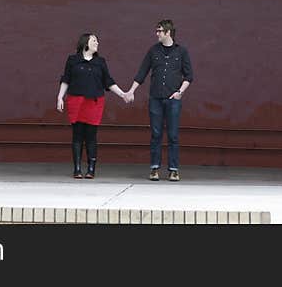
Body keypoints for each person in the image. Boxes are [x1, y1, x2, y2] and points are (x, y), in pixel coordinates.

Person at [126, 19, 193, 181]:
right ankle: (154, 168)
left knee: (173, 135)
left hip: (173, 99)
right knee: (156, 133)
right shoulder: (153, 51)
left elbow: (189, 76)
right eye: (156, 31)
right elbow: (142, 72)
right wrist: (131, 91)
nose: (157, 34)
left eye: (159, 31)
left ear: (168, 33)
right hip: (155, 98)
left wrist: (180, 92)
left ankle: (173, 169)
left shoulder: (181, 52)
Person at [56, 32, 130, 179]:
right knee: (77, 136)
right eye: (94, 40)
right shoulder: (72, 60)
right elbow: (66, 80)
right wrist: (60, 97)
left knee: (91, 136)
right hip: (76, 101)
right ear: (85, 43)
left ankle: (91, 168)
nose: (97, 43)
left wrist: (122, 94)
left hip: (94, 102)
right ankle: (77, 168)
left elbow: (108, 81)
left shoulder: (100, 62)